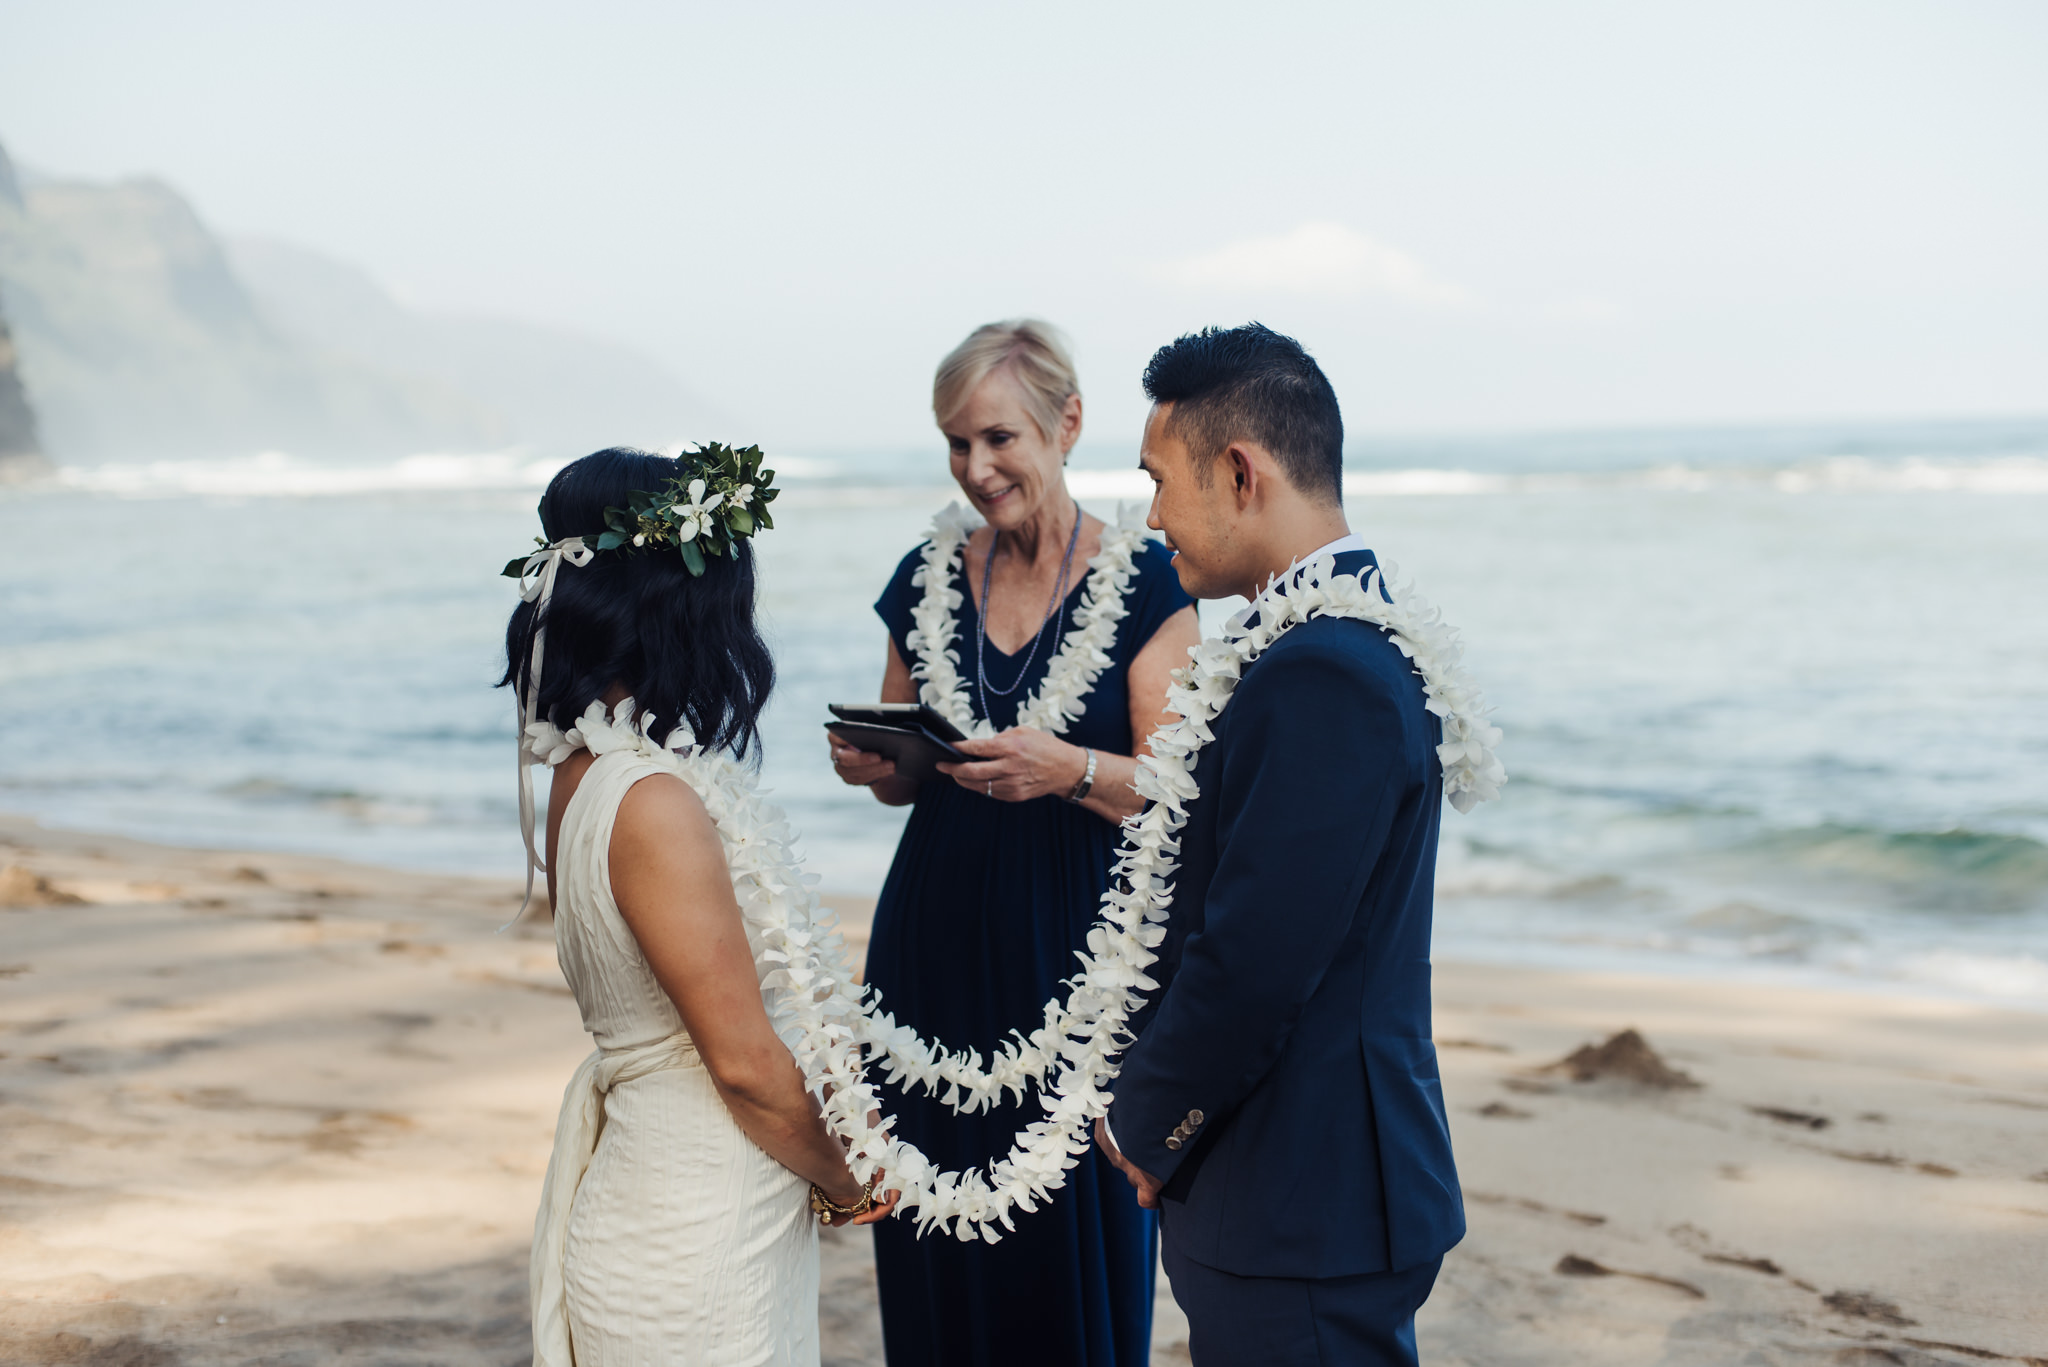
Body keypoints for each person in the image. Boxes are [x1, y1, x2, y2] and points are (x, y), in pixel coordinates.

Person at [829, 320, 1200, 1366]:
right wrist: (877, 763)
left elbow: (1175, 790)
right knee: (932, 1227)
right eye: (955, 443)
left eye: (998, 437)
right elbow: (908, 777)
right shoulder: (924, 573)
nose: (976, 467)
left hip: (1073, 959)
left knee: (1066, 1233)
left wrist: (1068, 768)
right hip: (928, 951)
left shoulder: (1147, 585)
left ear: (1066, 422)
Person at [1096, 325, 1466, 1366]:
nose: (1153, 514)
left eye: (1158, 480)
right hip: (1306, 1184)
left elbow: (1257, 955)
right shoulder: (1328, 646)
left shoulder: (1322, 673)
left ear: (1238, 471)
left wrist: (1145, 1121)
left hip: (1303, 1189)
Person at [505, 447, 896, 1367]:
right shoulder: (655, 804)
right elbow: (746, 1064)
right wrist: (848, 1176)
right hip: (698, 1238)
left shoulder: (582, 774)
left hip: (670, 1205)